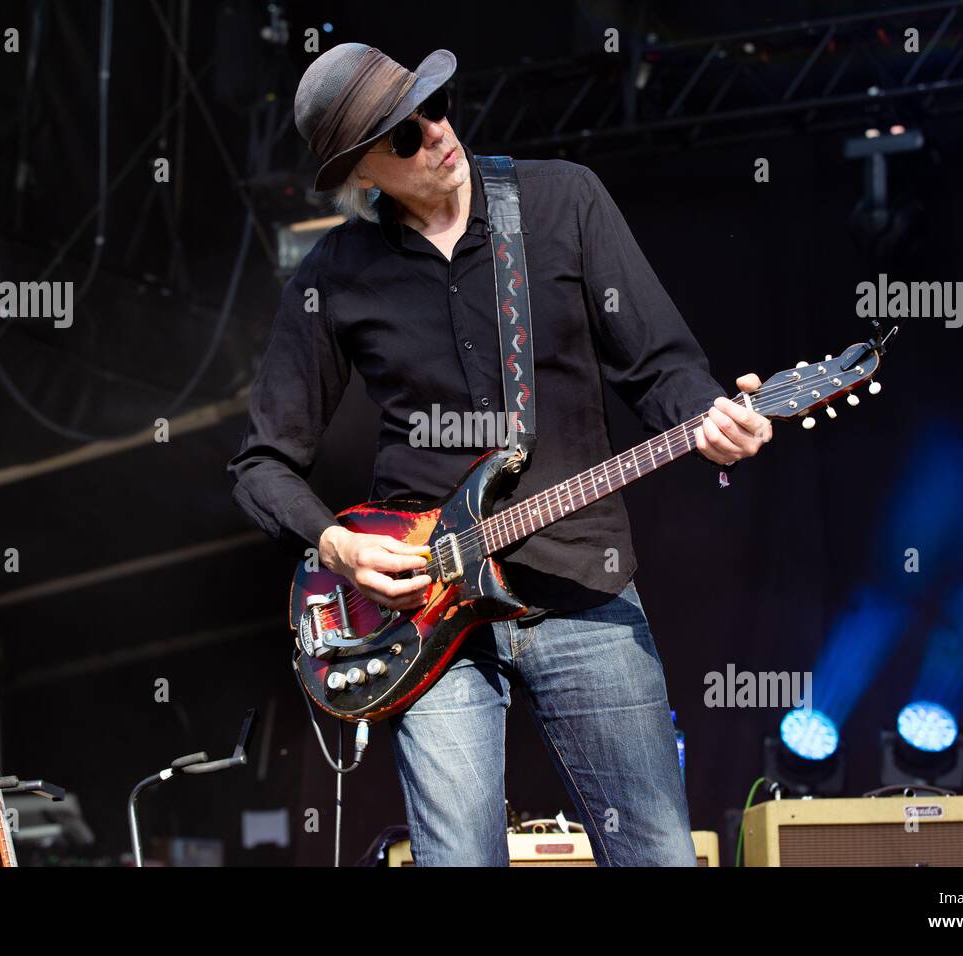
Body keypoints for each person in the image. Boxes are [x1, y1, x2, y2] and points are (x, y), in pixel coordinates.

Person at [228, 43, 773, 866]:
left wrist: (711, 417)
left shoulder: (562, 201)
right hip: (424, 612)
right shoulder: (337, 272)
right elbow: (261, 463)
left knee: (659, 852)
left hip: (580, 581)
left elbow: (660, 366)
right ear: (364, 173)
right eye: (403, 138)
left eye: (434, 109)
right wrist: (336, 546)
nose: (437, 135)